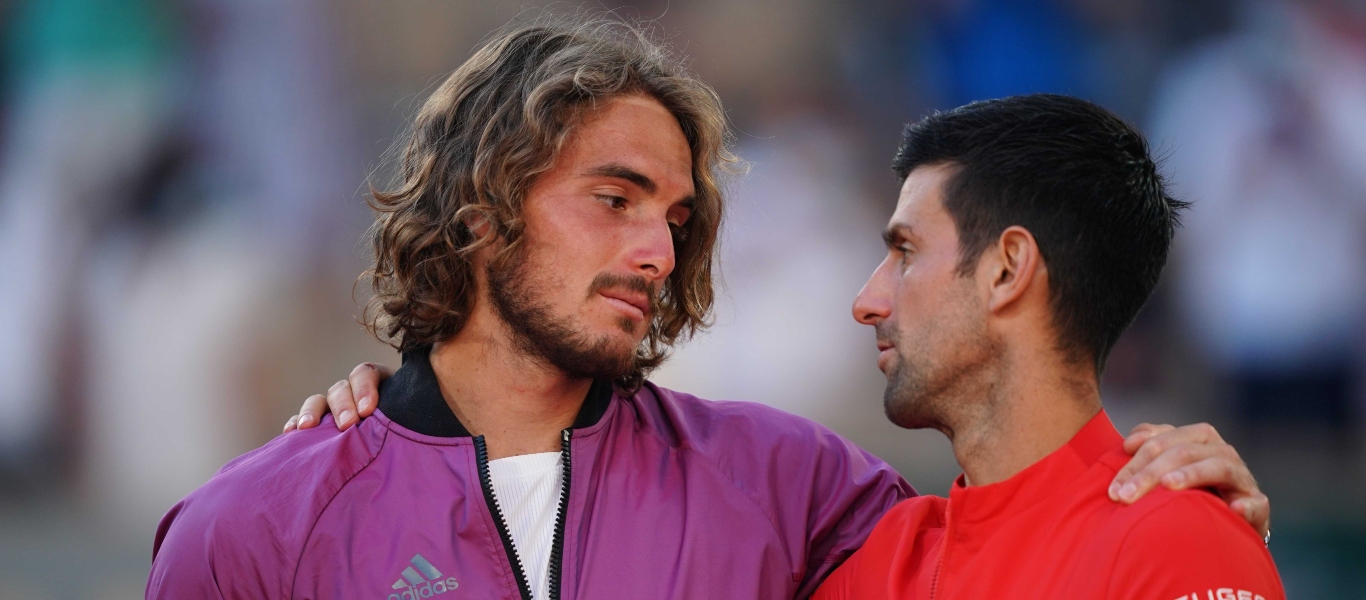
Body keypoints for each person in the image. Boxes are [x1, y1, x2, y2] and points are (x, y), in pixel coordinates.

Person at [156, 15, 1266, 600]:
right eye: (614, 199)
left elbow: (1025, 525)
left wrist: (1191, 516)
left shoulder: (794, 491)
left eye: (677, 218)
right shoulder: (251, 529)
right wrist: (356, 449)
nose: (656, 250)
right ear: (481, 211)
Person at [813, 94, 1284, 599]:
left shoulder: (1177, 542)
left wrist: (1213, 538)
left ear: (1008, 269)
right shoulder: (877, 566)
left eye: (906, 252)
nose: (866, 303)